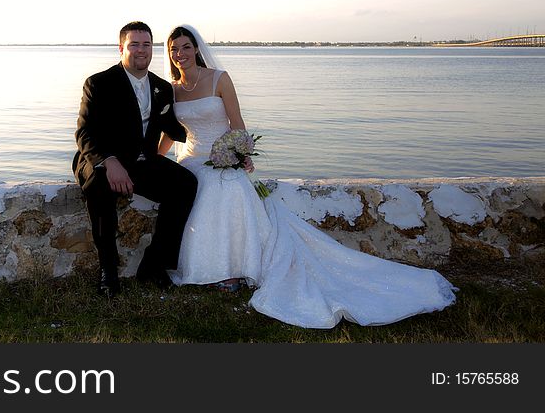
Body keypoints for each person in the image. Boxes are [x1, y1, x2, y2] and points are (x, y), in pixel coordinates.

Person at [158, 24, 457, 328]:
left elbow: (237, 122)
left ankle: (232, 271)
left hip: (222, 158)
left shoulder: (219, 79)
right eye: (174, 49)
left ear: (196, 49)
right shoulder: (172, 89)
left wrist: (240, 154)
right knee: (193, 187)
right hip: (192, 159)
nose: (180, 54)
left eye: (185, 47)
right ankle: (208, 270)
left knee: (224, 187)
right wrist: (154, 159)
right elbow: (169, 132)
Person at [73, 21, 198, 299]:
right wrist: (110, 161)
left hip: (142, 161)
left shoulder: (162, 88)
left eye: (146, 44)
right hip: (102, 159)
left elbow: (174, 128)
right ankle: (108, 271)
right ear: (121, 48)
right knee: (99, 189)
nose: (141, 50)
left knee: (185, 184)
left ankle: (153, 264)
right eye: (134, 44)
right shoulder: (99, 83)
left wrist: (211, 130)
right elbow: (84, 132)